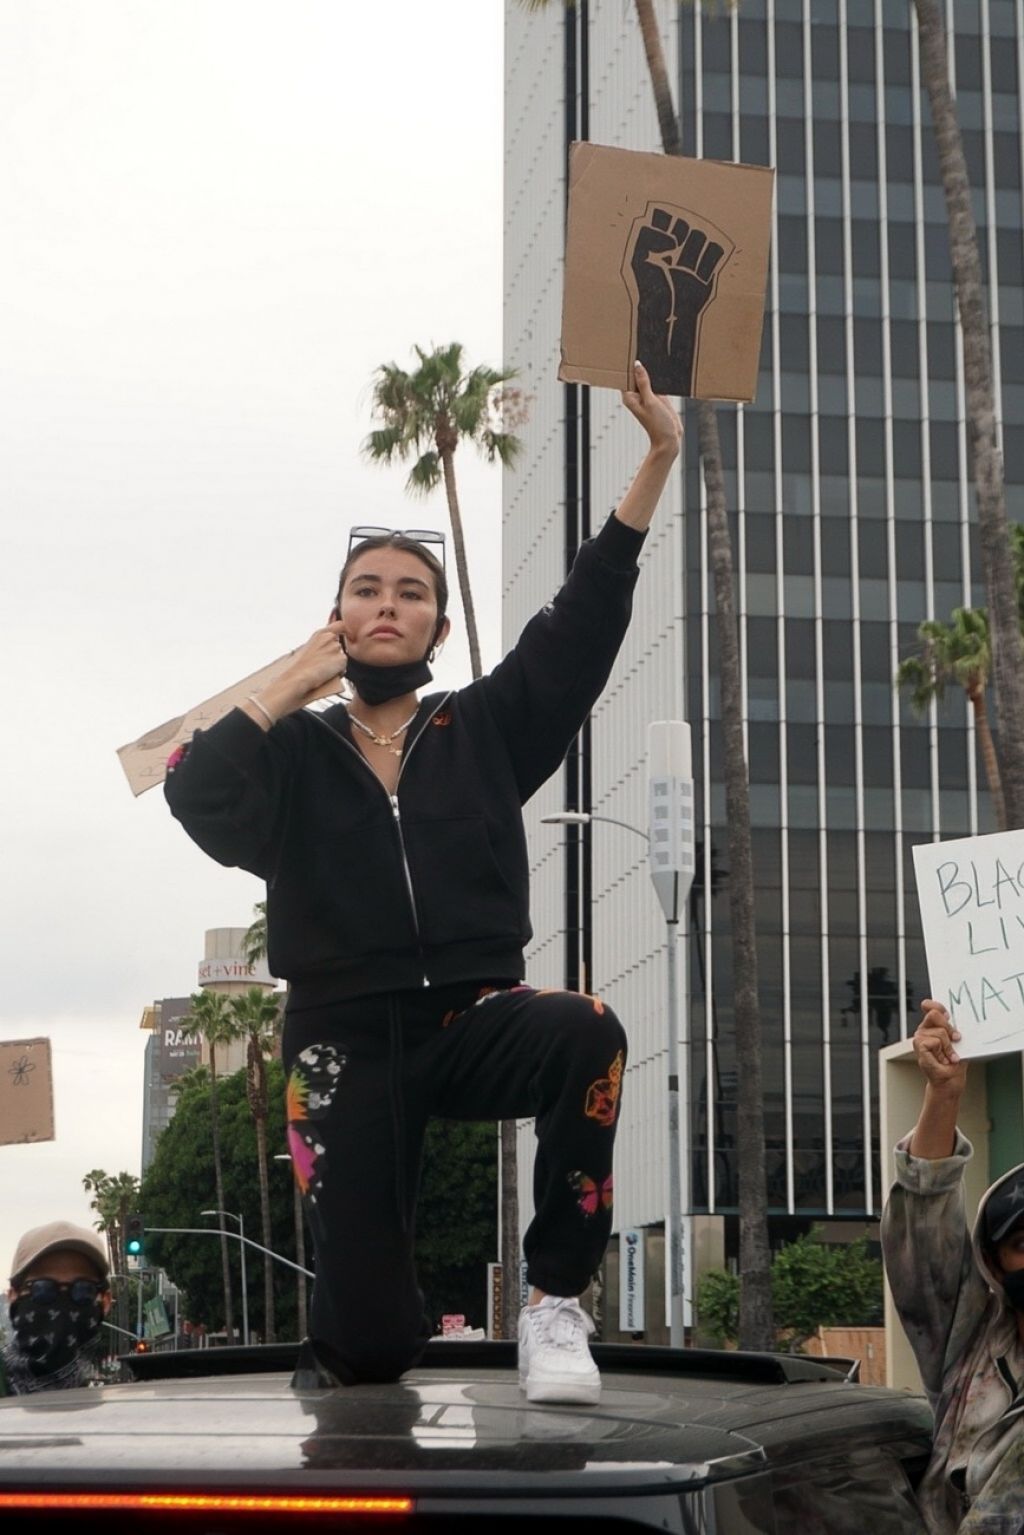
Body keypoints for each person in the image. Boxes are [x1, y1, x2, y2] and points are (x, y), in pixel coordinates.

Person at [165, 361, 682, 1401]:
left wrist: (656, 461)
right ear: (337, 618)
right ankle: (368, 1333)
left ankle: (552, 1306)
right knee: (369, 1342)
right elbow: (194, 795)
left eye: (412, 592)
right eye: (368, 589)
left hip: (471, 1014)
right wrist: (283, 687)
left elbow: (578, 628)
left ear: (439, 628)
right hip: (340, 1039)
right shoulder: (291, 752)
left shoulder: (481, 728)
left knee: (585, 1025)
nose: (388, 604)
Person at [881, 1000, 1024, 1534]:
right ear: (995, 1262)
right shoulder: (968, 1352)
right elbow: (923, 1228)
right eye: (1023, 1243)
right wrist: (944, 1094)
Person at [2, 1222, 112, 1396]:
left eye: (82, 1289)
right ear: (13, 1296)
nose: (63, 1303)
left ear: (105, 1302)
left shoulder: (129, 1403)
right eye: (42, 1288)